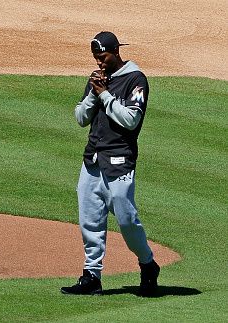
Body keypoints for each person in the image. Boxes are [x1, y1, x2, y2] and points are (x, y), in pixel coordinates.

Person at [61, 31, 160, 296]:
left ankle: (148, 265)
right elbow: (81, 118)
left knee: (127, 220)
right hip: (93, 157)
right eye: (95, 57)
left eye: (103, 57)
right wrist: (94, 93)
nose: (99, 62)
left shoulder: (135, 80)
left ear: (116, 51)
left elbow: (130, 120)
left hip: (120, 160)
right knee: (90, 219)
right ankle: (91, 275)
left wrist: (104, 94)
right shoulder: (96, 79)